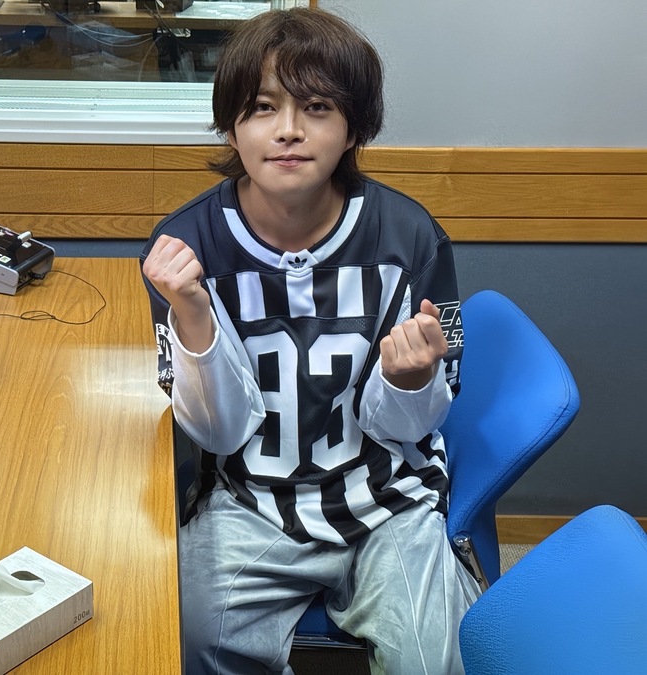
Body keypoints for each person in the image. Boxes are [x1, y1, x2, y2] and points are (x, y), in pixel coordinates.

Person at [140, 7, 480, 674]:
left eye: (317, 107)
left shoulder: (409, 237)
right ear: (231, 125)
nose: (288, 130)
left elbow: (414, 425)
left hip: (388, 500)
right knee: (177, 638)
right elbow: (218, 433)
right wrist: (194, 319)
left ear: (354, 126)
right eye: (262, 107)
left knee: (435, 657)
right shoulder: (184, 249)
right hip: (249, 501)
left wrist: (410, 379)